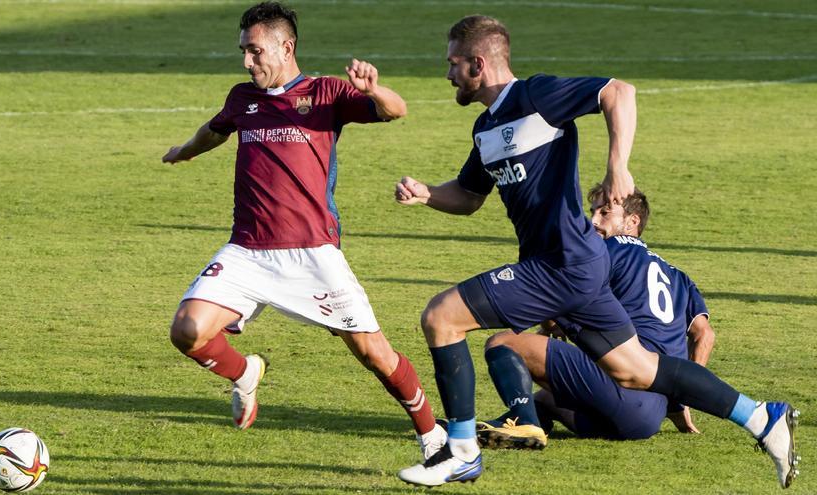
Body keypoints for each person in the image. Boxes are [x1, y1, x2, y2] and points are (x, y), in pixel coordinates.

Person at [394, 15, 798, 488]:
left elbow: (619, 92)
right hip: (577, 265)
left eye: (453, 64)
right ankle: (761, 417)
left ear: (478, 64)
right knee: (636, 371)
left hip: (561, 264)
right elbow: (467, 195)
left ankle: (460, 451)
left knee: (441, 317)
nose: (447, 74)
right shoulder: (485, 128)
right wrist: (427, 194)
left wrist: (617, 167)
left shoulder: (536, 96)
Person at [161, 1, 445, 459]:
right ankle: (244, 373)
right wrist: (186, 152)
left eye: (254, 52)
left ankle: (433, 437)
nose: (246, 61)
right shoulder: (242, 98)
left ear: (285, 47)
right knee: (187, 330)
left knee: (374, 354)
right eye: (243, 52)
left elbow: (396, 110)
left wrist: (374, 90)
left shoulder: (327, 93)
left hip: (312, 253)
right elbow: (214, 131)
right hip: (247, 251)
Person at [477, 186, 715, 447]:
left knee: (504, 342)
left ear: (632, 221)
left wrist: (548, 325)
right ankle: (519, 422)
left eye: (605, 213)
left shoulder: (604, 252)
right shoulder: (679, 275)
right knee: (544, 398)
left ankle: (523, 424)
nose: (593, 221)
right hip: (647, 418)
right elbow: (704, 334)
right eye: (592, 212)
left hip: (621, 386)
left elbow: (557, 298)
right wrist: (681, 399)